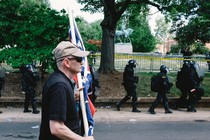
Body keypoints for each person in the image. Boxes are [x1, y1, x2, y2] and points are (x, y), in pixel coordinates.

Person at [39, 41, 94, 140]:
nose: (82, 62)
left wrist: (71, 99)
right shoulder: (60, 85)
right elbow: (56, 128)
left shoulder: (59, 81)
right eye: (78, 59)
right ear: (67, 62)